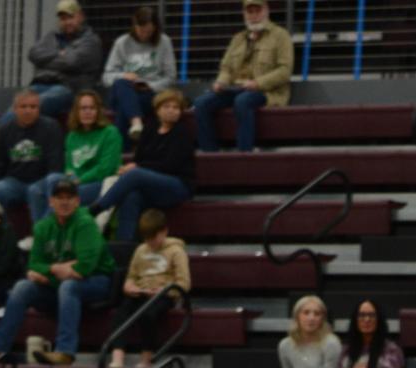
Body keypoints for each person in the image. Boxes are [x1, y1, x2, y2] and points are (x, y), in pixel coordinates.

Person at [0, 177, 121, 366]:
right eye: (59, 197)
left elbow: (85, 267)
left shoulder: (85, 223)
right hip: (59, 283)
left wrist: (52, 271)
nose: (64, 202)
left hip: (98, 282)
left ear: (77, 201)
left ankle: (65, 352)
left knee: (69, 286)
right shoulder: (43, 226)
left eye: (69, 197)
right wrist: (56, 268)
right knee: (22, 287)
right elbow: (34, 264)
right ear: (51, 202)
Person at [91, 87, 195, 243]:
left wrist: (138, 168)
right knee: (132, 196)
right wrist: (136, 167)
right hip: (152, 185)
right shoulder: (150, 128)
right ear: (157, 110)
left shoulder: (182, 133)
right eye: (167, 107)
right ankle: (124, 248)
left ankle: (97, 209)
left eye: (176, 108)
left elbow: (170, 165)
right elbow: (139, 158)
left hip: (177, 185)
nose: (172, 111)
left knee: (135, 174)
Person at [194, 0, 292, 152]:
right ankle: (210, 154)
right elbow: (226, 67)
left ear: (266, 10)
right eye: (249, 12)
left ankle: (244, 153)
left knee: (243, 101)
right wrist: (220, 82)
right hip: (235, 88)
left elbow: (285, 71)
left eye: (257, 11)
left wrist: (257, 83)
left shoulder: (281, 36)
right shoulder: (238, 38)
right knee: (201, 103)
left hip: (266, 91)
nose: (254, 16)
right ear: (244, 14)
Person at [104, 209, 189, 368]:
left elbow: (183, 283)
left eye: (153, 238)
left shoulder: (176, 251)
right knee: (121, 312)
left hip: (165, 294)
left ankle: (146, 357)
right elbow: (131, 276)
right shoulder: (141, 250)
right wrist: (129, 287)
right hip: (142, 292)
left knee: (148, 314)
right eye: (146, 239)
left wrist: (164, 291)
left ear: (164, 231)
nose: (150, 243)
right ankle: (118, 356)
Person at [27, 89, 122, 221]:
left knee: (62, 192)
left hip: (99, 183)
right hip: (75, 181)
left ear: (98, 111)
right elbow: (69, 166)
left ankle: (44, 235)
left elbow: (106, 168)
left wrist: (80, 180)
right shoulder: (72, 136)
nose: (87, 112)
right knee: (35, 189)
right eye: (83, 108)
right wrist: (71, 177)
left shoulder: (110, 132)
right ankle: (44, 232)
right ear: (76, 112)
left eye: (91, 108)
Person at [16, 1, 103, 127]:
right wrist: (59, 54)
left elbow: (71, 62)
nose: (67, 22)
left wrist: (46, 61)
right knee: (20, 102)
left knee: (31, 105)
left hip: (69, 88)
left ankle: (8, 135)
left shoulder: (91, 41)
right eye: (63, 19)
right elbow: (33, 54)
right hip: (40, 83)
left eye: (71, 17)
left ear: (81, 16)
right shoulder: (52, 36)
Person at [0, 89, 66, 218]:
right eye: (23, 106)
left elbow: (56, 164)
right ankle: (3, 233)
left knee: (36, 190)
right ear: (15, 109)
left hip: (41, 181)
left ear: (39, 109)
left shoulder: (51, 127)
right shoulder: (4, 131)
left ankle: (41, 234)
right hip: (15, 182)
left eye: (33, 107)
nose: (28, 110)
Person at [103, 4, 176, 136]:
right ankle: (136, 122)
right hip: (124, 88)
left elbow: (170, 77)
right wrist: (124, 75)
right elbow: (107, 77)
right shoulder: (122, 43)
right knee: (121, 84)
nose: (145, 35)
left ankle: (124, 150)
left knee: (123, 106)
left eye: (149, 31)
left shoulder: (164, 42)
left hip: (150, 93)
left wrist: (149, 86)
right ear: (134, 25)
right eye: (141, 30)